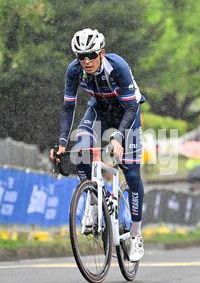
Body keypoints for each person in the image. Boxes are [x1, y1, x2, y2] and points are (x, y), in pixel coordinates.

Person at [49, 28, 145, 262]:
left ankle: (136, 234)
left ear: (101, 53)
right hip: (99, 110)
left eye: (91, 55)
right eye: (81, 57)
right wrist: (62, 142)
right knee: (80, 144)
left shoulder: (118, 66)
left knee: (131, 174)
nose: (86, 61)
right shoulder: (74, 71)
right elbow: (68, 107)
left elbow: (131, 107)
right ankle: (93, 200)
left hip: (126, 114)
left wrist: (119, 138)